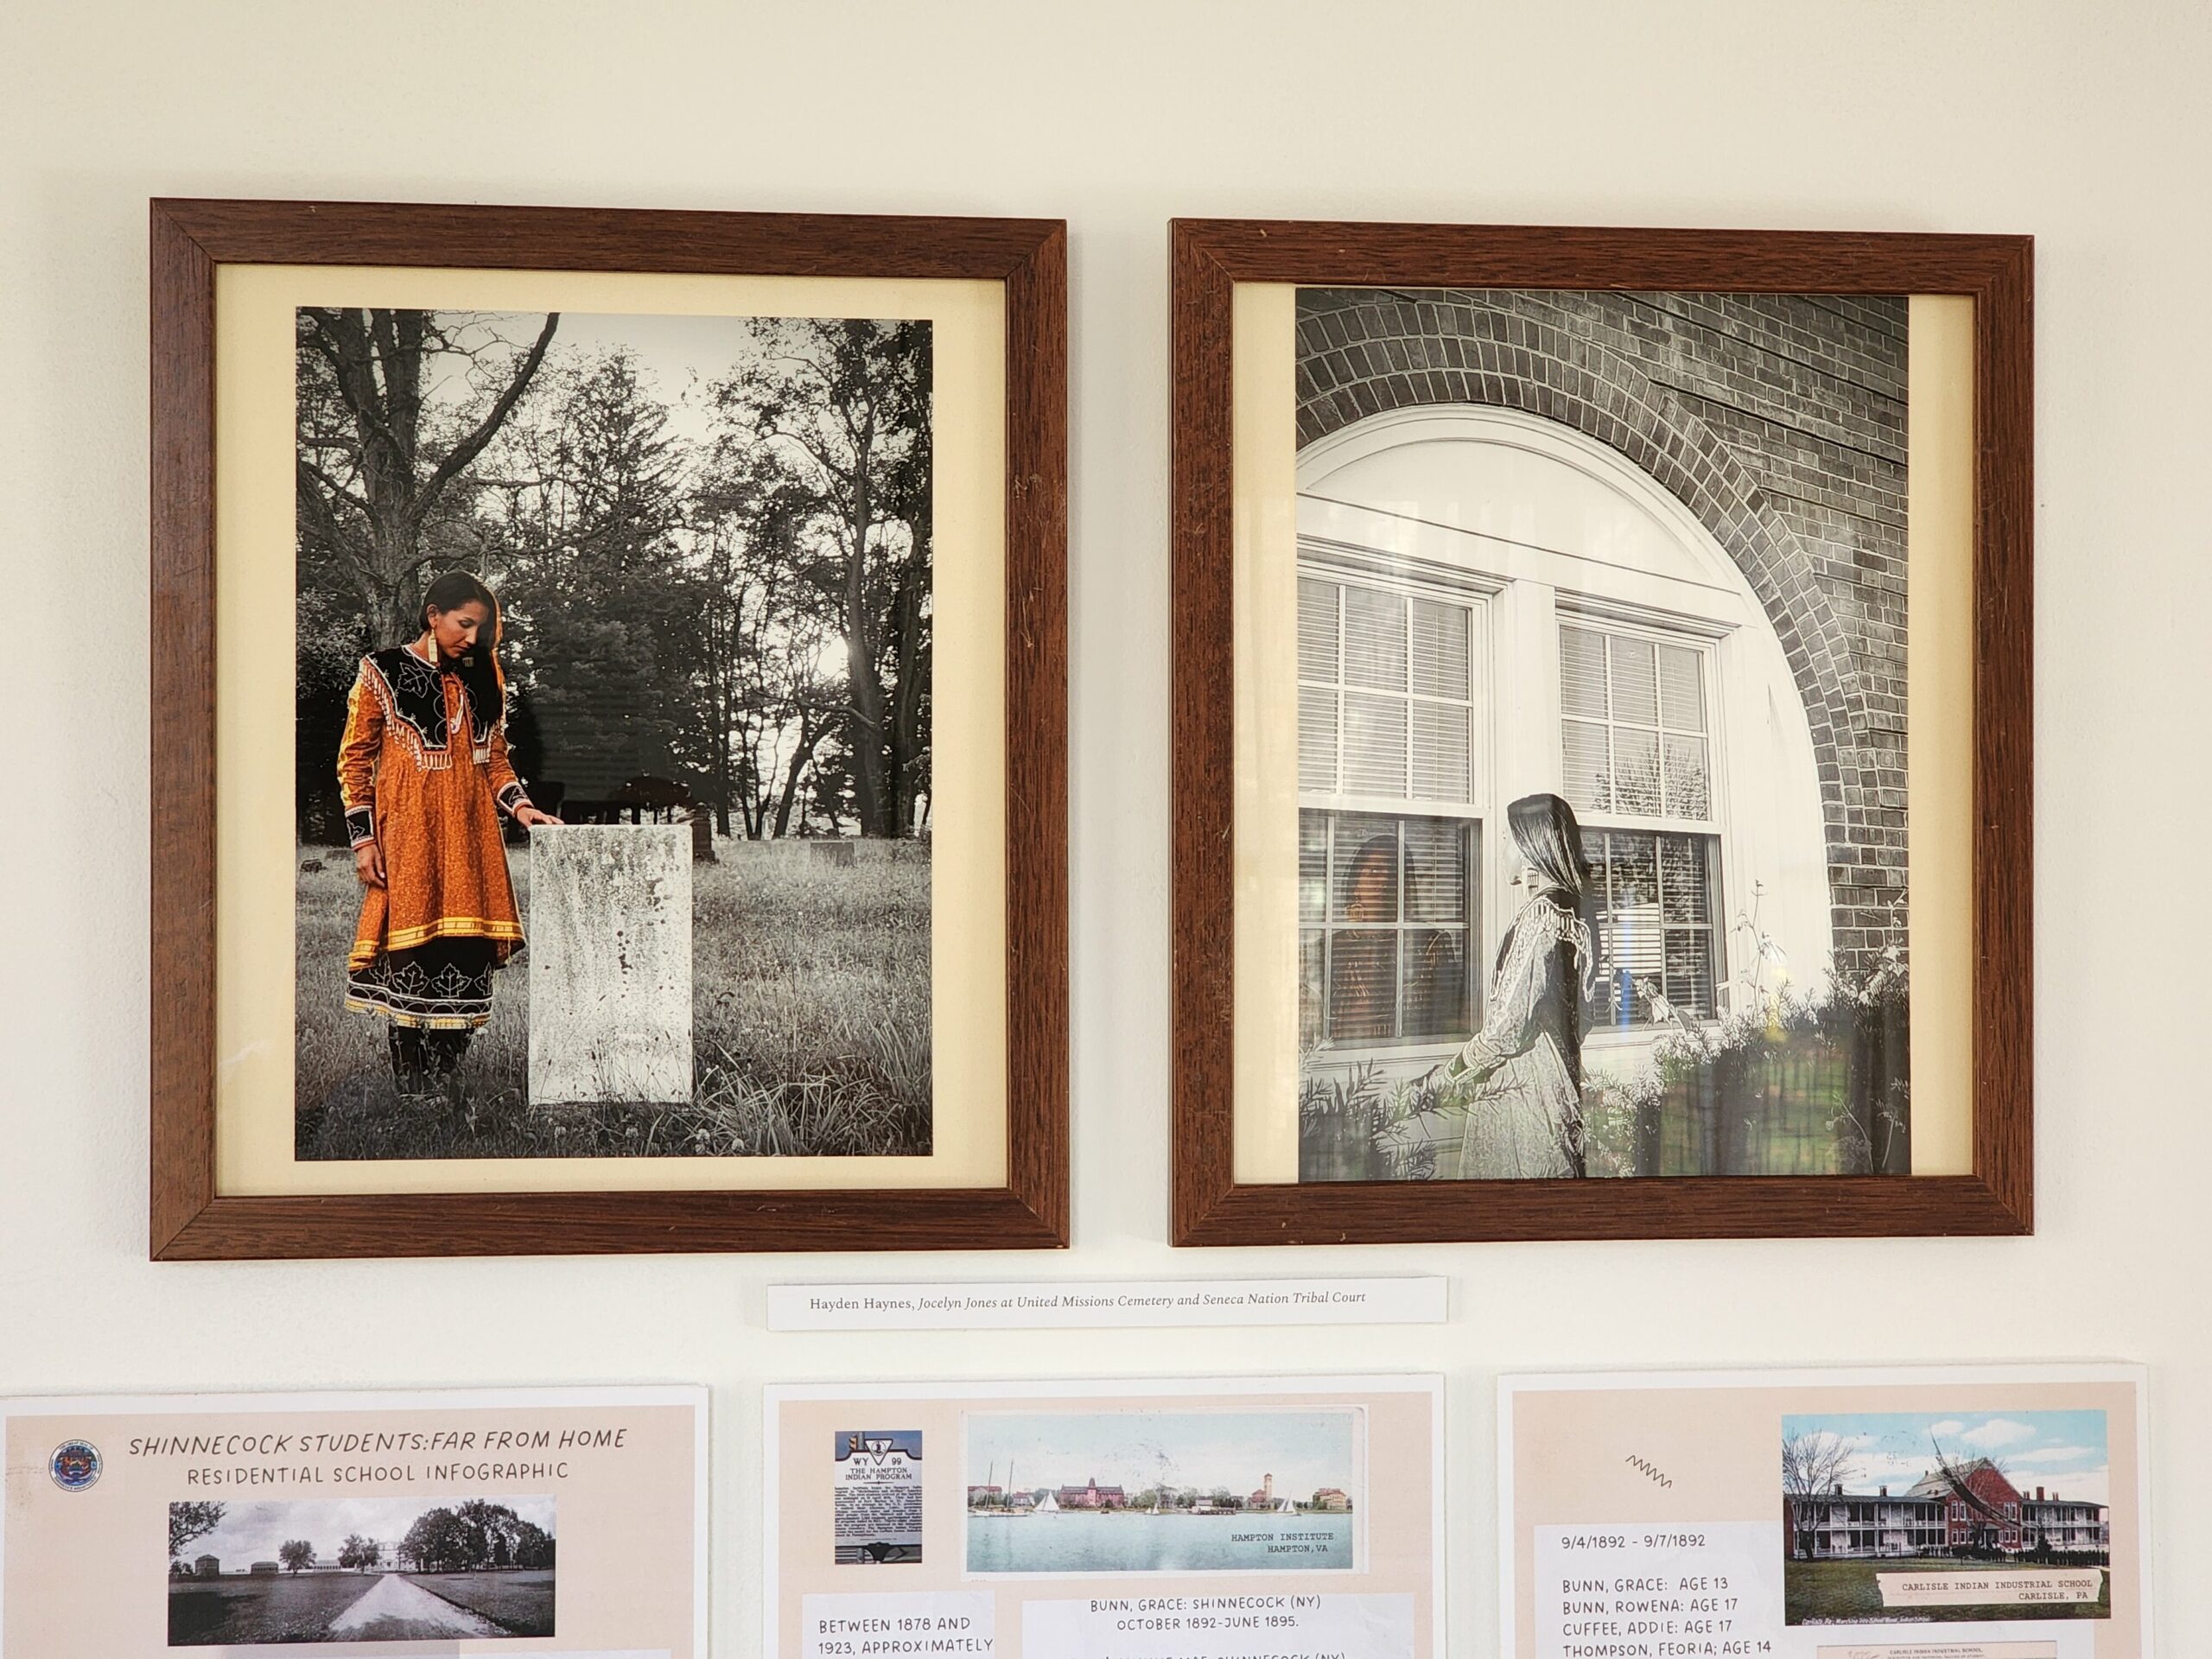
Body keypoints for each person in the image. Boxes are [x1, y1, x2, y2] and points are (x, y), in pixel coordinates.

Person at [337, 571, 560, 1100]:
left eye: (480, 630)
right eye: (464, 624)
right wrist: (363, 839)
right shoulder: (382, 671)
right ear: (433, 614)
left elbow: (495, 762)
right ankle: (413, 1087)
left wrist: (524, 808)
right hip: (407, 838)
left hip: (472, 842)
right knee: (413, 954)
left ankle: (444, 1078)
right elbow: (354, 760)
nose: (472, 638)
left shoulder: (487, 677)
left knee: (465, 953)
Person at [1442, 792, 1594, 1178]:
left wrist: (1451, 1074)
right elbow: (1586, 1016)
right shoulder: (1577, 912)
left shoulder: (1542, 915)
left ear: (1531, 847)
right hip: (1559, 1084)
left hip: (1525, 1092)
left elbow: (1507, 1027)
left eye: (1508, 839)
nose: (1502, 850)